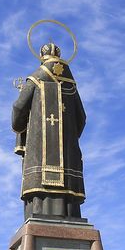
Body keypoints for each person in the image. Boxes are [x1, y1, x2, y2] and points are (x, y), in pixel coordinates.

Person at [12, 42, 87, 219]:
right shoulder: (70, 84)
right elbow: (81, 118)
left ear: (41, 56)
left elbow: (19, 109)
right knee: (68, 191)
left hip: (38, 151)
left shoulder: (35, 78)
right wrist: (67, 137)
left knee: (39, 195)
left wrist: (21, 127)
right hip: (68, 156)